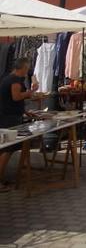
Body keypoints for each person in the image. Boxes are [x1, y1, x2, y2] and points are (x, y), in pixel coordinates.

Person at [0, 57, 37, 192]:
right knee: (7, 149)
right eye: (26, 69)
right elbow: (16, 97)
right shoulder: (14, 80)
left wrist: (25, 112)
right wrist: (32, 91)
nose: (27, 72)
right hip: (9, 118)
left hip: (8, 115)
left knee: (6, 149)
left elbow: (12, 100)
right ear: (22, 68)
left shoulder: (8, 78)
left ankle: (2, 177)